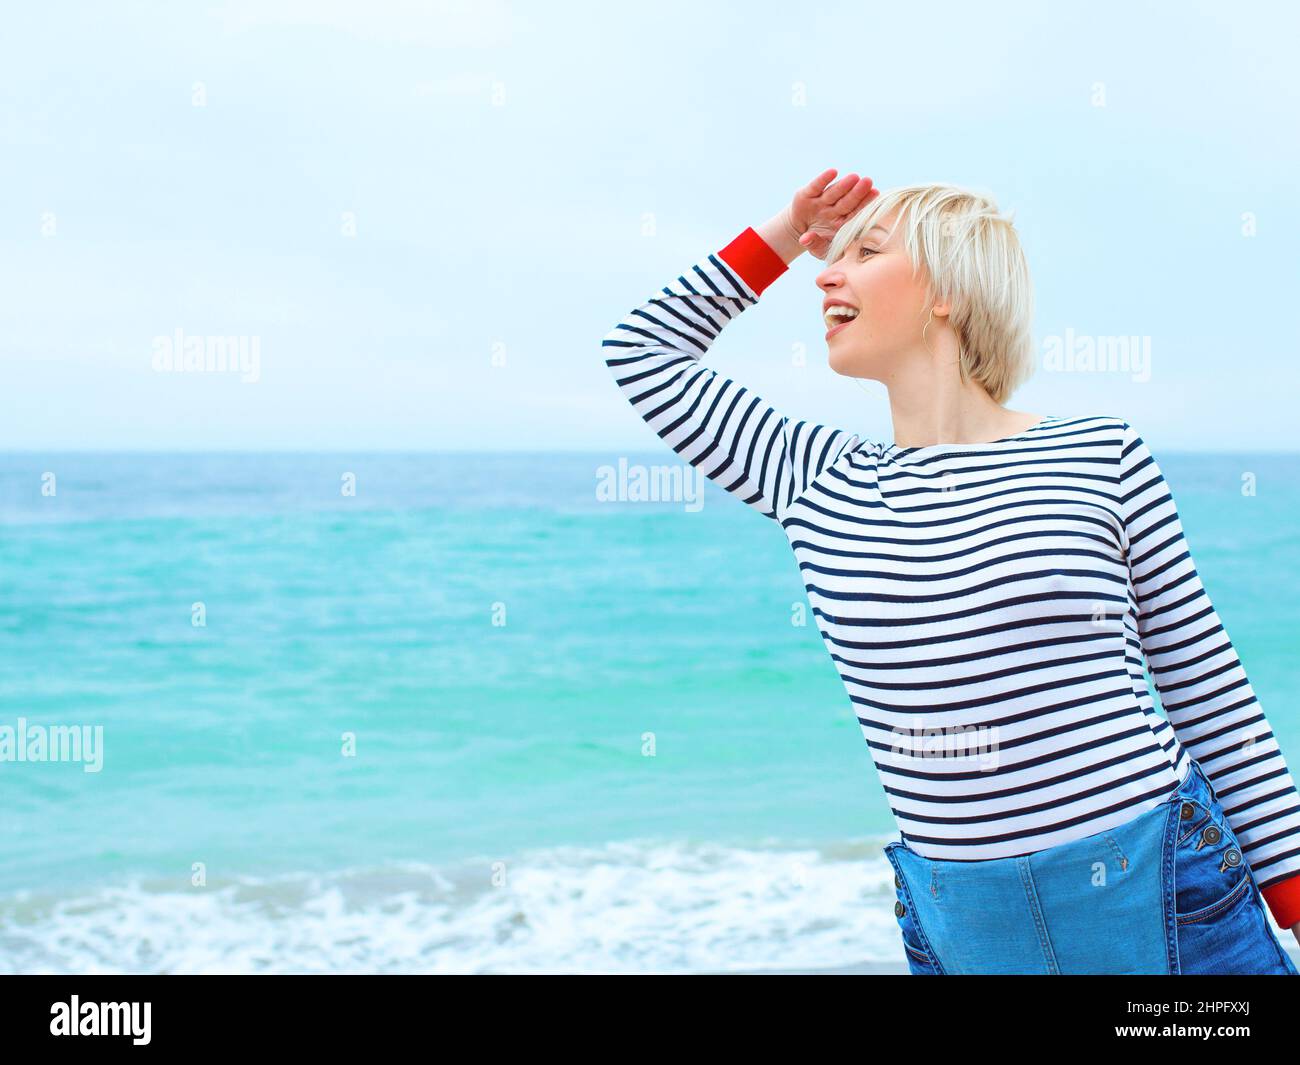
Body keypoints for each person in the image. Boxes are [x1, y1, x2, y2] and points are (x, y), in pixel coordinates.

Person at [599, 168, 1300, 974]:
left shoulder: (1099, 453)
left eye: (867, 252)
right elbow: (642, 350)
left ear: (949, 293)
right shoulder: (812, 477)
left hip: (1169, 892)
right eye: (833, 256)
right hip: (967, 927)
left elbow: (1207, 689)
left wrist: (1297, 897)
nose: (828, 271)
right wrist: (786, 234)